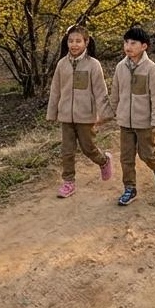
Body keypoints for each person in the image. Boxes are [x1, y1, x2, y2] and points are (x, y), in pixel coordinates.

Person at [46, 24, 114, 198]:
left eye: (78, 41)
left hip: (86, 116)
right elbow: (55, 90)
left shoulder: (93, 65)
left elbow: (100, 91)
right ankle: (69, 182)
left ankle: (104, 160)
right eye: (70, 41)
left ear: (86, 42)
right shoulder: (62, 64)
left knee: (88, 148)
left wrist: (105, 114)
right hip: (66, 117)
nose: (74, 45)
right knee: (67, 151)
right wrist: (52, 113)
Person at [109, 25, 155, 205]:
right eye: (126, 42)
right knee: (126, 158)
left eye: (133, 43)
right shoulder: (120, 67)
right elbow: (115, 94)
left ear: (144, 46)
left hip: (145, 124)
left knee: (146, 154)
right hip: (125, 122)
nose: (128, 46)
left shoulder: (152, 70)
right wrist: (108, 114)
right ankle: (130, 188)